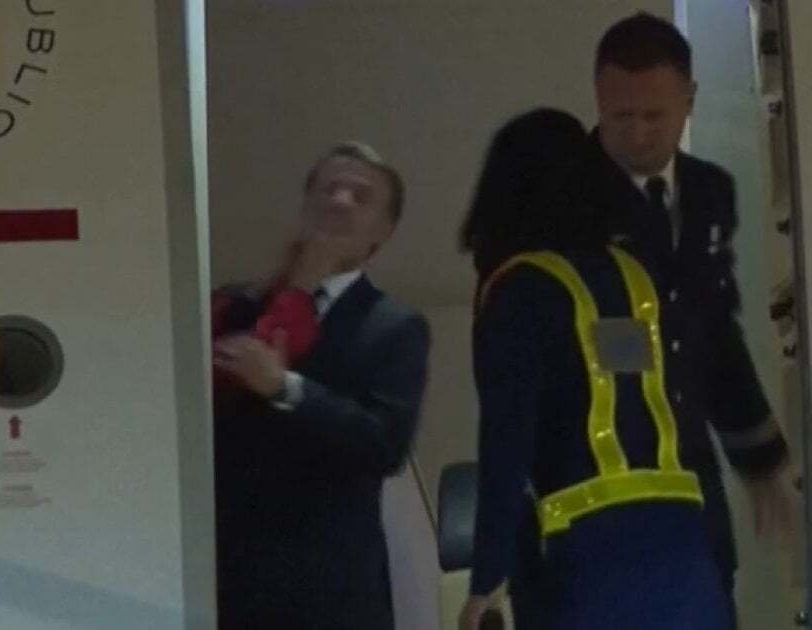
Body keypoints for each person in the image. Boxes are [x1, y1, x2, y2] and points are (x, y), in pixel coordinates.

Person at [539, 13, 794, 616]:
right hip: (598, 472)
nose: (638, 134)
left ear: (689, 100)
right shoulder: (558, 200)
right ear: (598, 102)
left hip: (688, 467)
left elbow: (713, 328)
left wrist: (758, 457)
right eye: (620, 116)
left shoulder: (707, 191)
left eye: (655, 116)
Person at [459, 108, 733, 630]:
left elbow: (506, 443)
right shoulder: (632, 279)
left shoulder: (518, 291)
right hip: (682, 546)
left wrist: (486, 581)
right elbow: (637, 404)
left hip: (586, 557)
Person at [211, 142, 429, 629]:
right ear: (304, 206)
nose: (339, 201)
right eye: (328, 189)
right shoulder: (236, 307)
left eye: (360, 196)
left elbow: (386, 445)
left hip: (331, 589)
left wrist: (287, 388)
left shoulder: (394, 326)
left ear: (384, 231)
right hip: (233, 579)